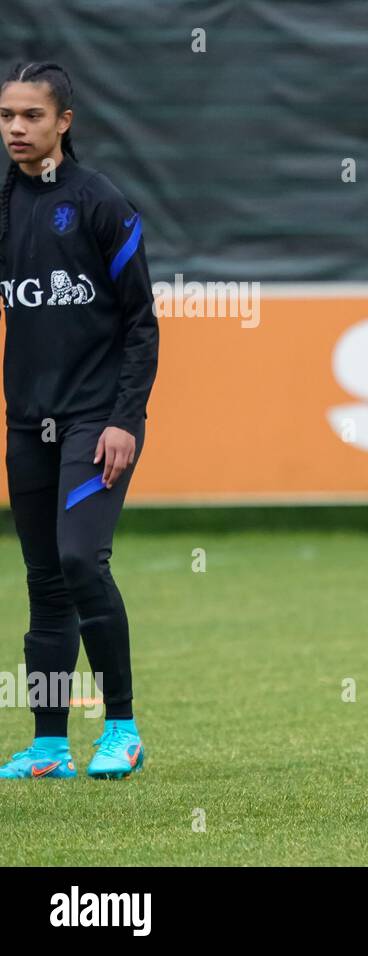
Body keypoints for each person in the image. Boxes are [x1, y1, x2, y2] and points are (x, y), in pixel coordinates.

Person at [0, 62, 158, 780]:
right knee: (42, 579)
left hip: (98, 422)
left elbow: (141, 323)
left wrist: (126, 418)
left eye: (31, 116)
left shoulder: (100, 203)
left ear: (64, 121)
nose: (15, 129)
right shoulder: (4, 202)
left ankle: (122, 727)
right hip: (28, 424)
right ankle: (49, 744)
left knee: (78, 561)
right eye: (6, 116)